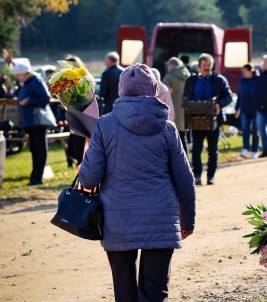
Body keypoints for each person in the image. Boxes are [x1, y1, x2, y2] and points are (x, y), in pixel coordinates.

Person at [79, 64, 196, 302]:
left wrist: (85, 165)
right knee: (154, 293)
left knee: (124, 293)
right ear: (154, 89)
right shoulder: (168, 128)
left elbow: (89, 178)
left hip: (117, 220)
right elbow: (184, 177)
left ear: (121, 90)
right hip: (161, 219)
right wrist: (188, 219)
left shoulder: (104, 125)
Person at [183, 53, 233, 185]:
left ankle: (211, 176)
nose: (207, 68)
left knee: (213, 150)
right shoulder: (191, 80)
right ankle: (197, 175)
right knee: (196, 149)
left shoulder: (219, 80)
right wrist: (185, 106)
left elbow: (229, 96)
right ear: (199, 66)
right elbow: (185, 97)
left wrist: (219, 104)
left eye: (209, 65)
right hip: (196, 120)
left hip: (214, 121)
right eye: (204, 65)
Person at [13, 63, 51, 185]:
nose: (17, 77)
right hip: (30, 121)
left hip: (38, 121)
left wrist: (29, 101)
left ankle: (38, 176)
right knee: (34, 149)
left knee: (40, 149)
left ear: (24, 73)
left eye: (18, 75)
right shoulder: (26, 83)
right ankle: (34, 175)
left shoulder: (35, 80)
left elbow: (46, 98)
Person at [64, 55, 95, 166]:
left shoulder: (82, 78)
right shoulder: (82, 77)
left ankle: (83, 173)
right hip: (79, 117)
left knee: (80, 147)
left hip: (82, 118)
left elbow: (85, 98)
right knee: (77, 147)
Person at [162, 57, 191, 153]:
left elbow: (161, 95)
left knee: (172, 142)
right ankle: (186, 163)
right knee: (183, 138)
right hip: (185, 113)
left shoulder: (169, 77)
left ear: (170, 66)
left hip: (172, 114)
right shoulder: (188, 76)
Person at [235, 63, 259, 159]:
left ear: (250, 70)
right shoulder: (242, 81)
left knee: (255, 130)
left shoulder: (258, 80)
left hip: (256, 109)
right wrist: (237, 108)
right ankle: (245, 149)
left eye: (244, 71)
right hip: (245, 109)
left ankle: (254, 150)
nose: (243, 73)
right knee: (245, 130)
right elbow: (239, 95)